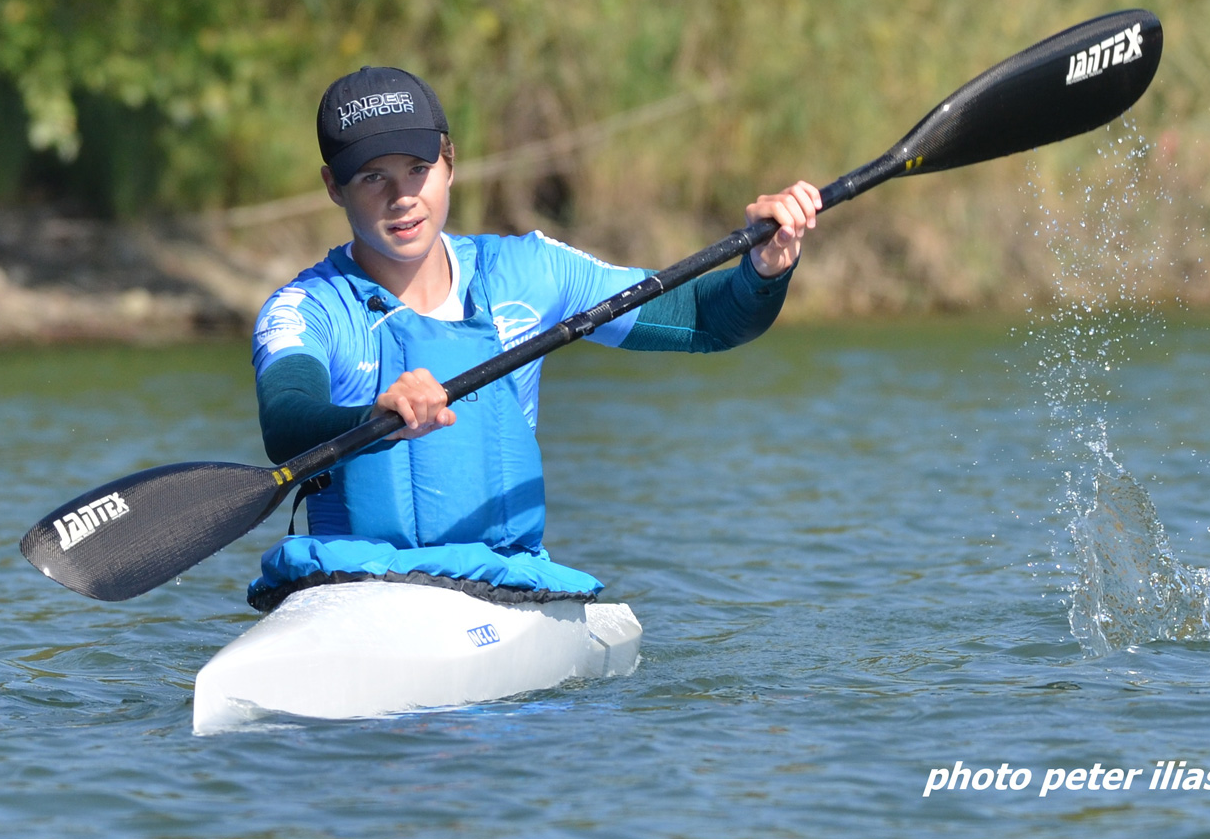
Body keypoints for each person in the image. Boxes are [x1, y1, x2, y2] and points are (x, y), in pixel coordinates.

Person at [245, 66, 820, 611]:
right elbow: (286, 418)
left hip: (501, 588)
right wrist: (371, 419)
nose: (401, 197)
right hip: (353, 589)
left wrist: (764, 269)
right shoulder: (307, 309)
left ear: (449, 163)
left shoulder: (530, 273)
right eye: (373, 177)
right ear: (333, 187)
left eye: (417, 169)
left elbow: (703, 318)